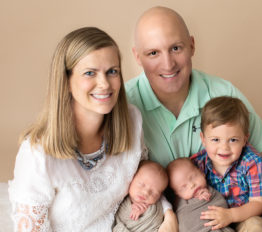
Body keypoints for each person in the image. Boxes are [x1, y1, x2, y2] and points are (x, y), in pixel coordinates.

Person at [125, 6, 262, 231]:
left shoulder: (224, 95)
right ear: (137, 56)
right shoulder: (123, 107)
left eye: (176, 48)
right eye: (153, 53)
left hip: (236, 213)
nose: (168, 64)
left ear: (192, 45)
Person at [8, 27, 174, 232]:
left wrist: (169, 215)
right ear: (66, 81)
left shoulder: (132, 120)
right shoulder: (36, 154)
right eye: (89, 73)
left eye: (112, 71)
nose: (104, 84)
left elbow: (147, 183)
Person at [191, 96, 262, 231]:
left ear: (244, 139)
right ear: (203, 139)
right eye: (216, 139)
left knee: (255, 225)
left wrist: (231, 215)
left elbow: (258, 203)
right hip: (213, 219)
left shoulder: (253, 163)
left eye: (233, 140)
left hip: (245, 217)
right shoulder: (197, 164)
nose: (224, 148)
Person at [167, 157, 234, 232]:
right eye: (184, 187)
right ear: (177, 194)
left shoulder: (210, 192)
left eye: (193, 177)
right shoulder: (177, 203)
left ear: (201, 173)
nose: (192, 185)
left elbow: (223, 207)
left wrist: (207, 198)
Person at [113, 160, 168, 231]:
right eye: (141, 185)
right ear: (132, 178)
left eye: (154, 193)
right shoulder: (120, 200)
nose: (146, 193)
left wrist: (145, 212)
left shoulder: (155, 210)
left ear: (159, 196)